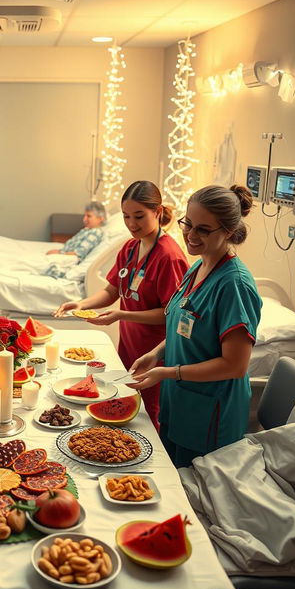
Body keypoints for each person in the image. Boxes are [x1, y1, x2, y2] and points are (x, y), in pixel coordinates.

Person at [128, 185, 262, 467]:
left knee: (197, 500)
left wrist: (169, 372)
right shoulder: (197, 268)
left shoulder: (233, 285)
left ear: (228, 231)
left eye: (203, 229)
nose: (190, 235)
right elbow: (183, 326)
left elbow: (234, 365)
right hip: (180, 405)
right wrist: (157, 354)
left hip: (210, 416)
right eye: (188, 224)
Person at [54, 181, 188, 429]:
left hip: (155, 352)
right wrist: (80, 303)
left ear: (157, 212)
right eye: (126, 216)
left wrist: (122, 314)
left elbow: (172, 315)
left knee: (150, 416)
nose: (131, 224)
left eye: (139, 216)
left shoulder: (169, 257)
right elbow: (112, 290)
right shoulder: (130, 247)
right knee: (128, 408)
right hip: (129, 344)